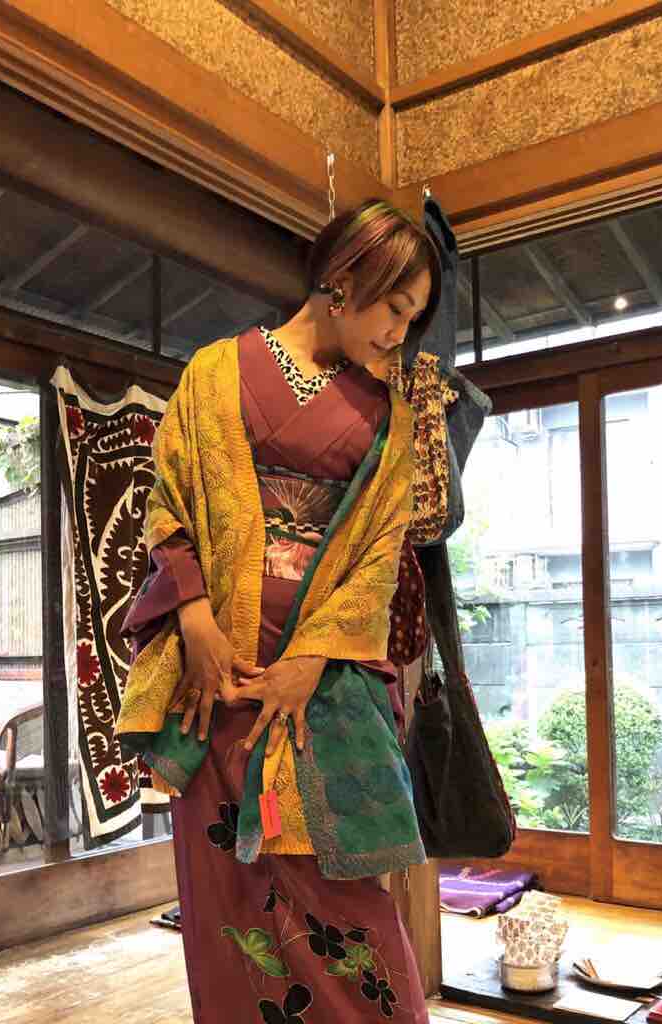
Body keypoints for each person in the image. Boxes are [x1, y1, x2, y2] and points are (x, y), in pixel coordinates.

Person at [115, 198, 441, 1023]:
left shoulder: (389, 412)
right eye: (395, 308)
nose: (399, 333)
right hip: (216, 674)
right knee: (226, 895)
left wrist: (311, 659)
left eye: (412, 318)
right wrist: (193, 621)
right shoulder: (213, 371)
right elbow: (168, 501)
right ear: (343, 280)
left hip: (320, 687)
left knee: (344, 897)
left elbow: (380, 552)